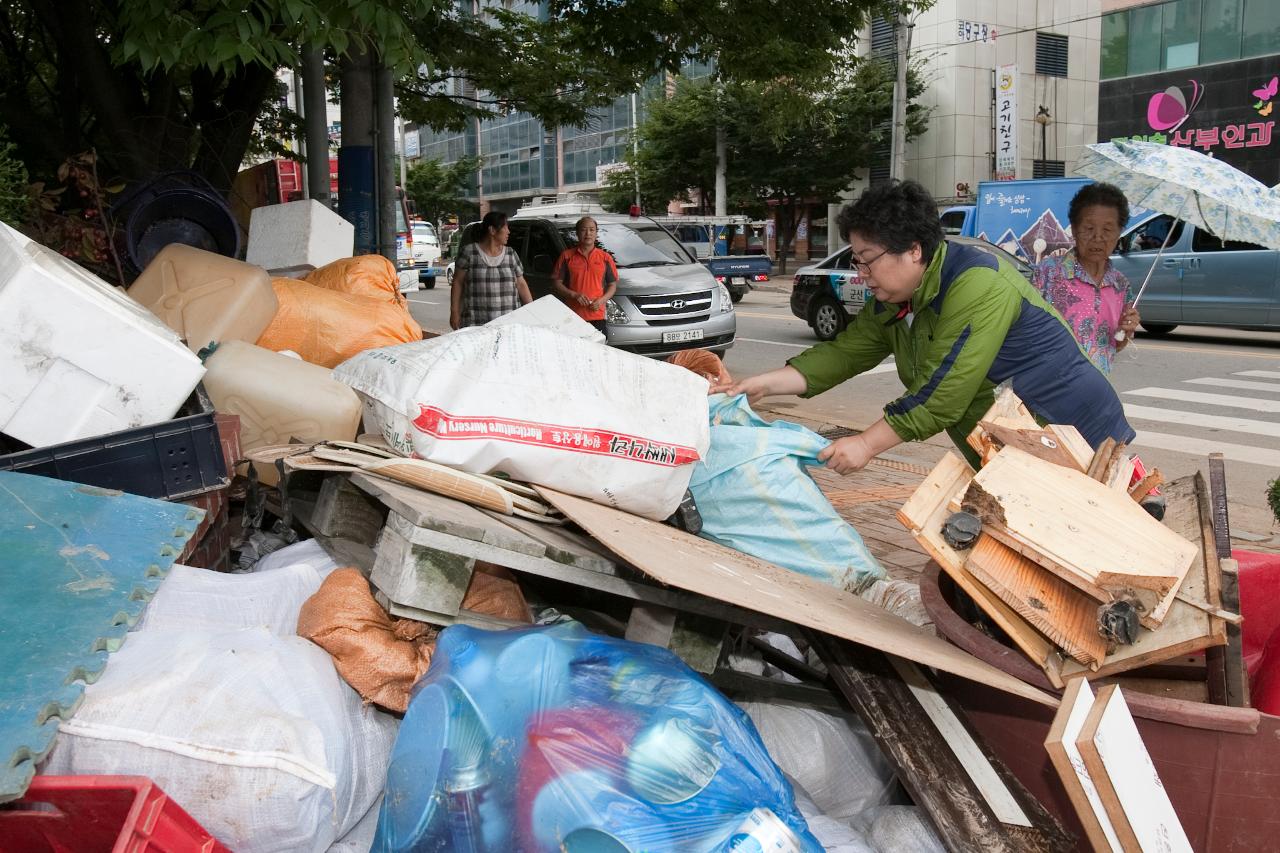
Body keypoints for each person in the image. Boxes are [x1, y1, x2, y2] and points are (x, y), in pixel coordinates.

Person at [715, 180, 1136, 473]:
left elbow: (942, 395)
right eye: (855, 261)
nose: (861, 274)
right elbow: (842, 353)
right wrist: (761, 385)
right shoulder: (898, 299)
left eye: (867, 259)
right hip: (1013, 446)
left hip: (1075, 436)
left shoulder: (977, 283)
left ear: (913, 250)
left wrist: (865, 444)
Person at [1034, 182, 1140, 375]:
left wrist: (1126, 332)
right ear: (1074, 229)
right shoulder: (1047, 274)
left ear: (1119, 232)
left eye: (1107, 230)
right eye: (1089, 228)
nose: (1098, 237)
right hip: (1049, 391)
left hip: (1097, 392)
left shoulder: (1120, 285)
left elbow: (1112, 346)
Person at [449, 211, 533, 329]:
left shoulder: (511, 254)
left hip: (508, 324)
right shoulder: (469, 252)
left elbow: (521, 284)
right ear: (492, 230)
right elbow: (457, 283)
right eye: (505, 227)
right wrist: (454, 312)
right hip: (476, 323)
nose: (508, 232)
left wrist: (533, 311)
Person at [552, 216, 617, 334]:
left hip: (598, 316)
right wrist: (574, 295)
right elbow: (557, 283)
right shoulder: (566, 256)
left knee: (599, 351)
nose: (588, 233)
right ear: (577, 233)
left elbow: (612, 285)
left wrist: (601, 301)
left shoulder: (605, 258)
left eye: (592, 230)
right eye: (583, 230)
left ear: (596, 233)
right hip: (572, 316)